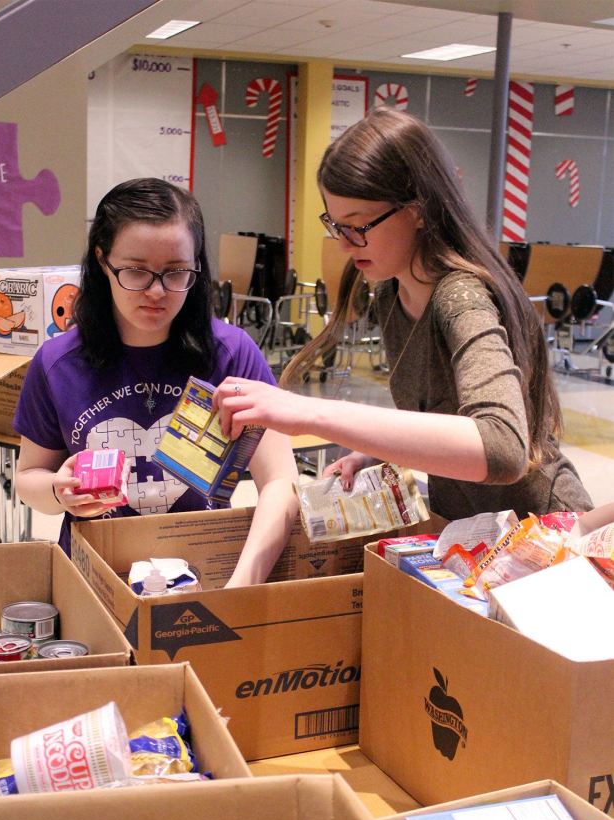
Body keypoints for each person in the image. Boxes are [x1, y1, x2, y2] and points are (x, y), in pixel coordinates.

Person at [214, 107, 593, 522]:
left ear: (417, 209)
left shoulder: (461, 297)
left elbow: (502, 448)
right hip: (470, 531)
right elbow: (442, 415)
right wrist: (373, 449)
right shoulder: (391, 292)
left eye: (358, 226)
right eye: (336, 225)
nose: (344, 244)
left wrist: (309, 412)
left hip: (542, 534)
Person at [14, 178, 298, 586]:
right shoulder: (58, 363)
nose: (156, 292)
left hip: (206, 572)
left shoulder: (232, 354)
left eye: (176, 272)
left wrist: (242, 584)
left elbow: (280, 482)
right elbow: (28, 479)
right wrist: (60, 491)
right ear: (101, 261)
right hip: (97, 575)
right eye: (135, 271)